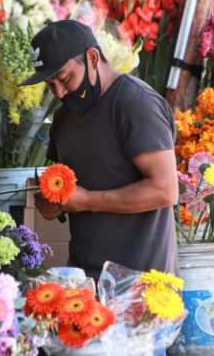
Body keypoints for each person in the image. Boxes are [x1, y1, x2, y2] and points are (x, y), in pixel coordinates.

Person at [20, 20, 179, 284]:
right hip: (84, 282)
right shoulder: (63, 117)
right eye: (50, 85)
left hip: (143, 285)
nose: (59, 92)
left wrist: (88, 201)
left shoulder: (136, 104)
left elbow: (164, 191)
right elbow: (70, 188)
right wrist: (54, 205)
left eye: (64, 78)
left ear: (92, 57)